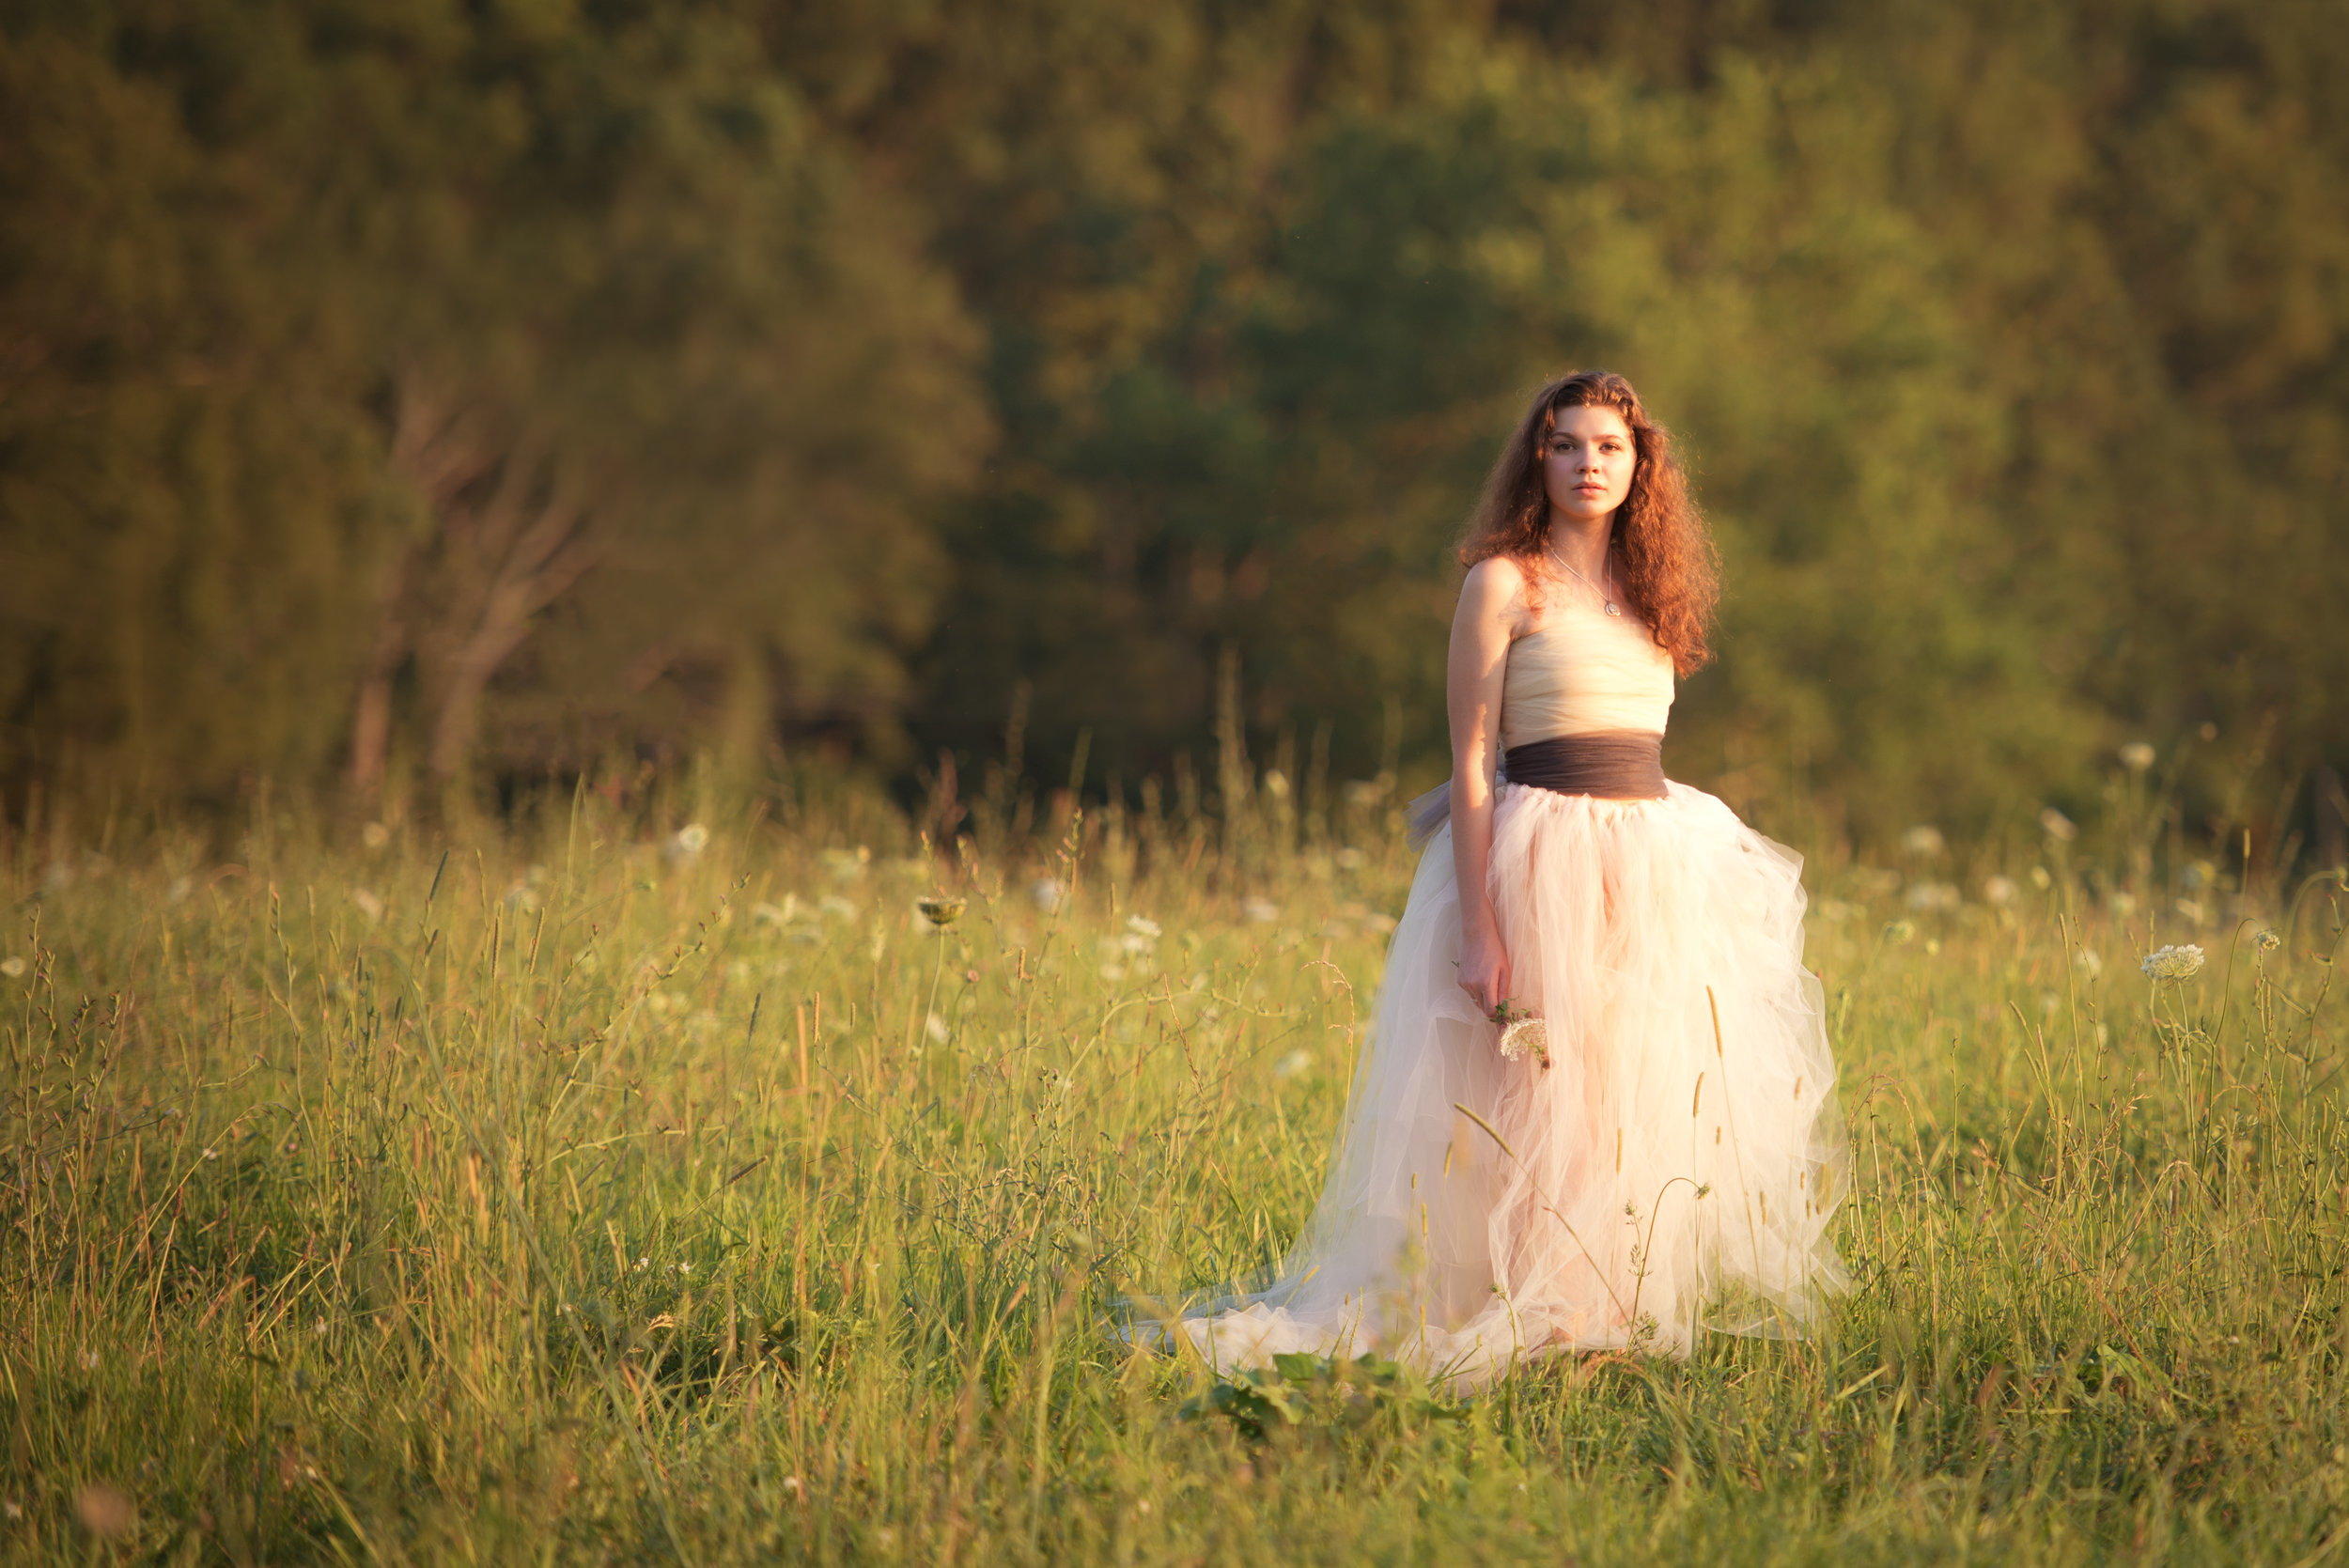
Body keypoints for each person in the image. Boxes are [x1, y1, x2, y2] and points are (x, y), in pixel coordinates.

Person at [1137, 371, 1847, 1387]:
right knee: (1525, 1088)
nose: (1587, 464)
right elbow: (1472, 761)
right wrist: (1482, 926)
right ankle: (1506, 1293)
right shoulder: (1503, 582)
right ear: (1537, 460)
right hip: (1536, 854)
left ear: (1640, 466)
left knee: (1621, 1092)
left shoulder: (1649, 592)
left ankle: (1593, 1298)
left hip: (1650, 857)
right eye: (1565, 445)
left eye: (1608, 446)